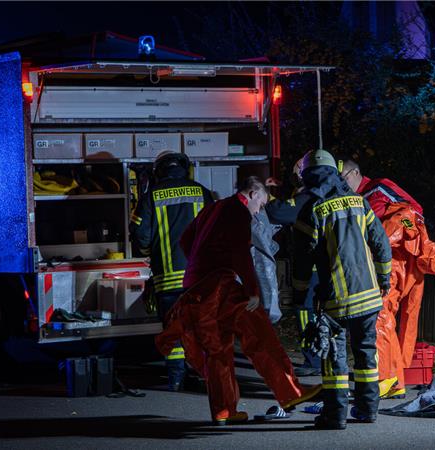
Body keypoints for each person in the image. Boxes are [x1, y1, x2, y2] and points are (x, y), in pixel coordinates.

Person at [155, 176, 320, 425]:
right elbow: (240, 253)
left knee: (217, 350)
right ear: (253, 194)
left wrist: (200, 264)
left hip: (196, 288)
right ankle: (290, 393)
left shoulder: (213, 208)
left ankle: (224, 411)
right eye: (262, 204)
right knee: (260, 334)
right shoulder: (239, 212)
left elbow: (185, 240)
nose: (260, 210)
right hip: (220, 285)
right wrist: (253, 291)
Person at [292, 150, 393, 430]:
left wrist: (300, 297)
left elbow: (301, 261)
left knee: (334, 359)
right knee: (365, 355)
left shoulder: (312, 209)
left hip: (336, 301)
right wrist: (384, 280)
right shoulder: (361, 202)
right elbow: (382, 245)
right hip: (369, 297)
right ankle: (367, 410)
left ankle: (335, 416)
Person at [341, 159, 435, 400]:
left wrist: (397, 238)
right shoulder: (359, 197)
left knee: (382, 314)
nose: (343, 184)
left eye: (344, 177)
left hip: (399, 260)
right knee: (397, 318)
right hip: (397, 259)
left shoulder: (378, 187)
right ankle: (393, 378)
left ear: (356, 172)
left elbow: (413, 211)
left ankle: (387, 377)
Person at [130, 151, 212, 391]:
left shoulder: (151, 196)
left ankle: (176, 379)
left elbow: (140, 234)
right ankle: (204, 375)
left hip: (167, 279)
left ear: (159, 171)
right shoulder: (201, 192)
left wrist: (148, 250)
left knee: (174, 328)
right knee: (200, 327)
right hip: (199, 278)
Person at [264, 157, 321, 376]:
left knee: (305, 310)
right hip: (317, 264)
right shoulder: (318, 193)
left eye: (300, 170)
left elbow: (282, 211)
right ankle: (320, 358)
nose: (296, 172)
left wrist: (265, 196)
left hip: (309, 267)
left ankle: (313, 360)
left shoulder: (307, 196)